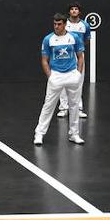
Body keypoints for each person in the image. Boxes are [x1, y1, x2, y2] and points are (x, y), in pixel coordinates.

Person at [33, 13, 85, 146]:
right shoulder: (48, 39)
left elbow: (80, 56)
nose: (56, 26)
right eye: (55, 24)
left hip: (72, 75)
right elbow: (44, 60)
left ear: (64, 24)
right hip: (56, 76)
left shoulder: (74, 37)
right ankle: (39, 134)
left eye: (59, 24)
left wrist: (78, 73)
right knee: (48, 105)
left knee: (74, 106)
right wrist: (50, 76)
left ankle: (74, 134)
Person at [59, 2, 90, 119]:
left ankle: (78, 108)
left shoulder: (85, 25)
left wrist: (78, 50)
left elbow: (86, 40)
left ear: (79, 12)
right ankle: (63, 108)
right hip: (65, 56)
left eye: (76, 9)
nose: (74, 11)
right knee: (62, 82)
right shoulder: (64, 24)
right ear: (69, 12)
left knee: (78, 81)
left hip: (79, 56)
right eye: (71, 9)